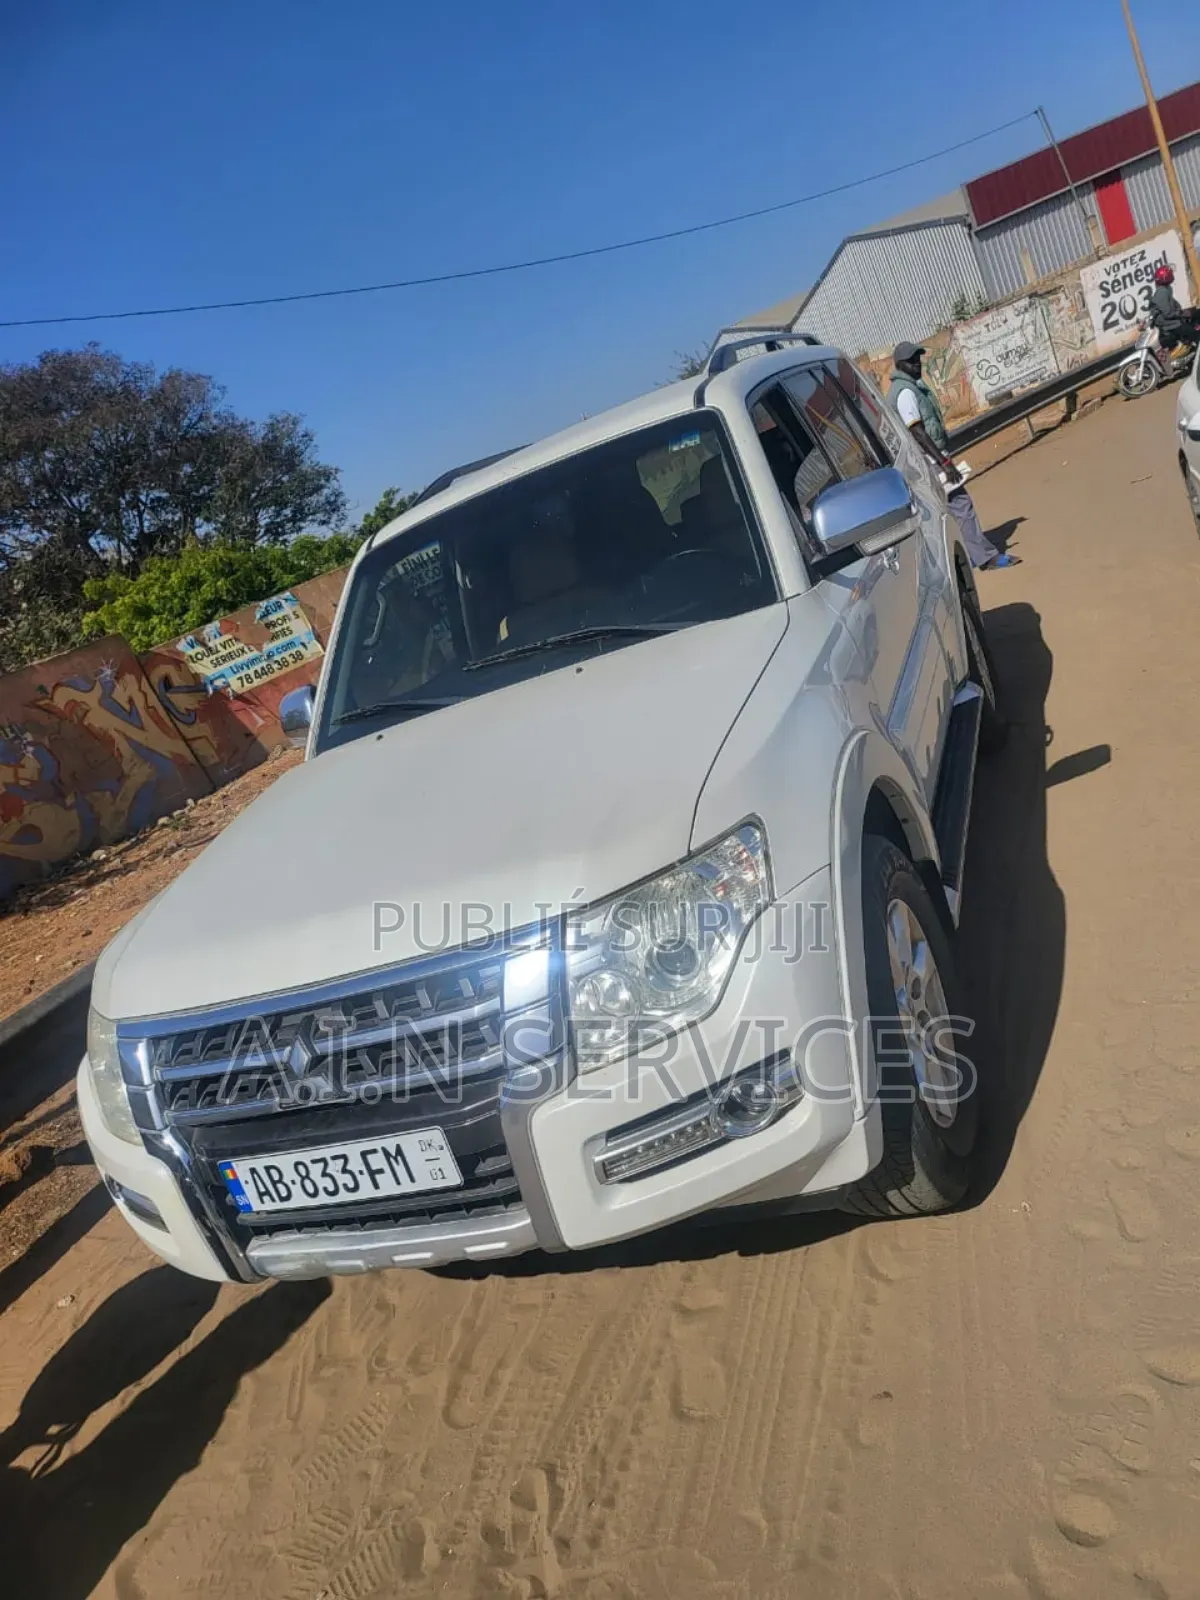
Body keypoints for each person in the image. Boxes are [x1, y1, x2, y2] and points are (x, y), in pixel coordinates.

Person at [887, 341, 1019, 571]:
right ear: (900, 365)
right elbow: (917, 431)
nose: (917, 363)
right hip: (927, 463)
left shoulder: (911, 387)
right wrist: (944, 462)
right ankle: (985, 558)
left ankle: (956, 561)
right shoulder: (905, 392)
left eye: (918, 358)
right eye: (911, 361)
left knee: (939, 513)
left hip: (923, 463)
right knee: (960, 504)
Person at [1148, 264, 1200, 358]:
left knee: (1196, 312)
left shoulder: (1165, 289)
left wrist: (1184, 312)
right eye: (1170, 273)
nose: (1172, 274)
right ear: (1166, 277)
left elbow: (1173, 307)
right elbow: (1168, 313)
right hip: (1172, 325)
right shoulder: (1162, 291)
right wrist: (1181, 314)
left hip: (1172, 322)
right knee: (1196, 335)